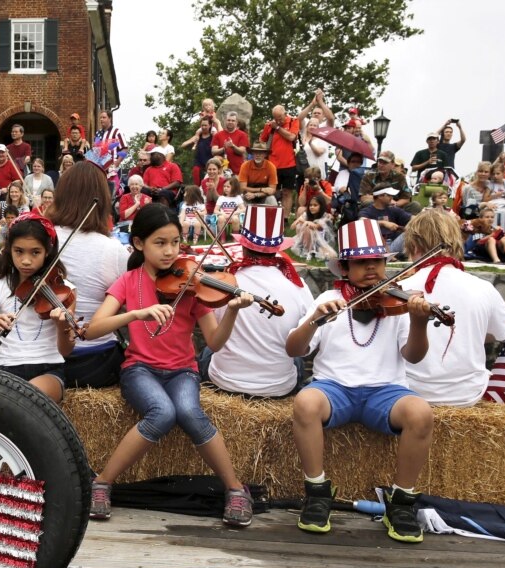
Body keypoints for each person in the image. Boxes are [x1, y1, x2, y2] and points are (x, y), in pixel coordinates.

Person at [84, 203, 255, 526]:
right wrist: (136, 313)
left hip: (183, 371)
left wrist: (231, 310)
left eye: (175, 242)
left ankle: (235, 489)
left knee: (190, 412)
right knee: (162, 412)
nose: (169, 251)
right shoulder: (128, 282)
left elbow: (215, 343)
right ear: (138, 244)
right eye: (160, 243)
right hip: (140, 369)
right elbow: (93, 329)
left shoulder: (191, 284)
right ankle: (102, 482)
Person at [285, 218, 436, 543]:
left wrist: (419, 322)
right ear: (345, 267)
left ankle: (401, 501)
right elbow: (294, 349)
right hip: (334, 389)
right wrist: (314, 320)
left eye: (377, 261)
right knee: (305, 402)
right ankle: (317, 491)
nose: (371, 268)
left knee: (421, 412)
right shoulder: (328, 297)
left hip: (386, 392)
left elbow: (413, 356)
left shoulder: (398, 301)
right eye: (361, 262)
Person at [398, 210, 505, 405]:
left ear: (413, 245)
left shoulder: (399, 289)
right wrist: (473, 333)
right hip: (467, 395)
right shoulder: (482, 287)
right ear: (455, 242)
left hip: (411, 394)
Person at [0, 212, 76, 403]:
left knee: (26, 400)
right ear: (9, 250)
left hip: (49, 369)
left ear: (47, 251)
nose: (26, 260)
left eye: (35, 252)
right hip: (6, 369)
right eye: (19, 251)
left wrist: (62, 326)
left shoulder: (64, 291)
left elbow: (66, 351)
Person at [207, 206, 315, 397]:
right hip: (279, 387)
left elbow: (213, 333)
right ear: (278, 249)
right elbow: (305, 340)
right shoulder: (299, 286)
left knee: (207, 353)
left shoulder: (226, 281)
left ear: (243, 246)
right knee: (296, 360)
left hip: (226, 382)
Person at [48, 161, 127, 388]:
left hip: (45, 358)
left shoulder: (40, 239)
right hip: (95, 363)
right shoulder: (114, 250)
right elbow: (125, 304)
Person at [259, 105, 300, 217]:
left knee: (287, 192)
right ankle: (273, 215)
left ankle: (285, 218)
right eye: (276, 118)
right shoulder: (269, 125)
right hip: (272, 164)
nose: (278, 121)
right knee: (273, 191)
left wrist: (277, 127)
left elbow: (291, 137)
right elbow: (261, 141)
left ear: (284, 114)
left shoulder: (293, 121)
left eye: (280, 118)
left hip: (289, 163)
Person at [358, 184, 411, 256]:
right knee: (409, 233)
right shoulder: (366, 211)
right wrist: (383, 223)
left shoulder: (393, 210)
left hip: (394, 243)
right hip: (377, 248)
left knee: (413, 231)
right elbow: (361, 222)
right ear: (380, 196)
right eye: (389, 195)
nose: (392, 198)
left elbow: (412, 218)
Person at [292, 194, 336, 260]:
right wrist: (298, 220)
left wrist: (305, 222)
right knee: (305, 227)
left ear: (321, 206)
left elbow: (318, 227)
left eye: (315, 205)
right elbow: (292, 227)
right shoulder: (306, 214)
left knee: (331, 256)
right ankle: (307, 252)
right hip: (306, 241)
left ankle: (314, 251)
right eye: (310, 205)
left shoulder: (326, 216)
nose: (312, 207)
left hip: (321, 242)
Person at [238, 142, 278, 207]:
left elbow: (272, 190)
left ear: (265, 154)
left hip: (264, 196)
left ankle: (272, 217)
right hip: (247, 196)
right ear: (252, 153)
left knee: (272, 199)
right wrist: (261, 189)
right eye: (256, 152)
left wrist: (256, 194)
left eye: (261, 153)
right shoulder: (245, 166)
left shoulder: (271, 167)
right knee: (240, 200)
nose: (258, 155)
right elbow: (242, 188)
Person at [211, 112, 249, 177]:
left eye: (233, 120)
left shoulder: (242, 135)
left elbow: (242, 151)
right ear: (225, 121)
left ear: (236, 122)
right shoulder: (218, 135)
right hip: (221, 171)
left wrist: (233, 146)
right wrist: (223, 148)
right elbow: (213, 151)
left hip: (237, 171)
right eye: (228, 120)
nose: (230, 122)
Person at [178, 117, 214, 185]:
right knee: (196, 173)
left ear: (210, 125)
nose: (203, 127)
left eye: (205, 125)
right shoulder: (198, 136)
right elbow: (183, 145)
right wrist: (192, 141)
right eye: (202, 125)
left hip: (210, 163)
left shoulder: (213, 136)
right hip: (199, 163)